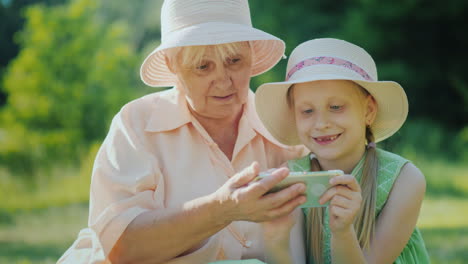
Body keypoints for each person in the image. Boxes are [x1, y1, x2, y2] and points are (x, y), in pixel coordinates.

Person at [57, 0, 310, 263]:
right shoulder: (137, 124)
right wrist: (222, 210)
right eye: (203, 66)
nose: (224, 81)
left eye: (234, 61)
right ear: (172, 65)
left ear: (252, 55)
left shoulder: (289, 127)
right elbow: (119, 248)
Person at [254, 38, 430, 263]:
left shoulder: (404, 179)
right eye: (307, 111)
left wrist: (343, 231)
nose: (321, 123)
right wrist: (275, 238)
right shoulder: (292, 178)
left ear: (368, 110)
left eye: (336, 107)